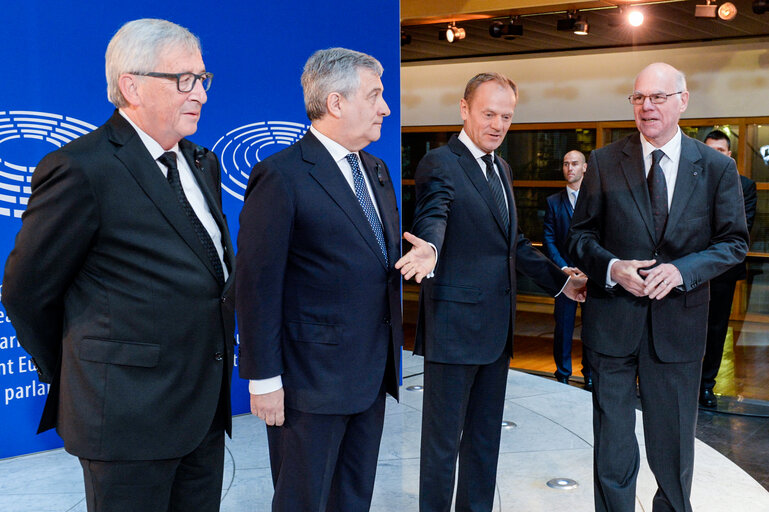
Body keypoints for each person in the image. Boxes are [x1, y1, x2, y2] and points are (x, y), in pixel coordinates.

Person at [1, 18, 235, 512]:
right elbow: (26, 292)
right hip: (127, 418)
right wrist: (82, 371)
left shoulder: (203, 162)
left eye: (203, 79)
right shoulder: (81, 168)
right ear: (131, 85)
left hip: (204, 413)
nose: (200, 94)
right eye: (184, 80)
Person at [396, 72, 586, 512]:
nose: (498, 124)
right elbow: (433, 215)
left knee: (484, 443)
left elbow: (514, 244)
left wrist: (562, 280)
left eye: (506, 116)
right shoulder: (440, 163)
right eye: (488, 114)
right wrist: (430, 249)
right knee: (443, 447)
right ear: (464, 110)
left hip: (497, 331)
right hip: (454, 328)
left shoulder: (501, 167)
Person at [568, 63, 749, 512]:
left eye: (658, 97)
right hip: (612, 324)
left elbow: (734, 242)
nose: (647, 106)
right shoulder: (606, 161)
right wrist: (612, 267)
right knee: (612, 448)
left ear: (682, 101)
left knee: (671, 449)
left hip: (678, 328)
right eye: (638, 98)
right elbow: (580, 236)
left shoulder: (715, 168)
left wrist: (682, 271)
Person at [235, 47, 402, 511]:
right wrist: (263, 379)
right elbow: (256, 284)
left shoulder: (377, 169)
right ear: (336, 103)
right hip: (309, 386)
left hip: (370, 377)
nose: (385, 107)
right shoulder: (282, 175)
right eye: (375, 95)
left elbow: (366, 256)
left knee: (353, 499)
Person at [699, 130, 757, 407]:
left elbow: (739, 229)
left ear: (729, 155)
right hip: (687, 269)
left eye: (720, 151)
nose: (714, 156)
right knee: (683, 328)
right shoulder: (690, 182)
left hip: (721, 271)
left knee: (716, 328)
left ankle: (706, 384)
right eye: (709, 150)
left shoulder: (744, 186)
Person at [543, 150, 592, 390]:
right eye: (565, 164)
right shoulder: (553, 202)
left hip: (591, 275)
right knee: (563, 326)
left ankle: (590, 373)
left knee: (592, 328)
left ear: (585, 168)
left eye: (574, 164)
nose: (569, 168)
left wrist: (591, 268)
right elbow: (549, 239)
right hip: (565, 277)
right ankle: (562, 373)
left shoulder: (595, 199)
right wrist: (563, 267)